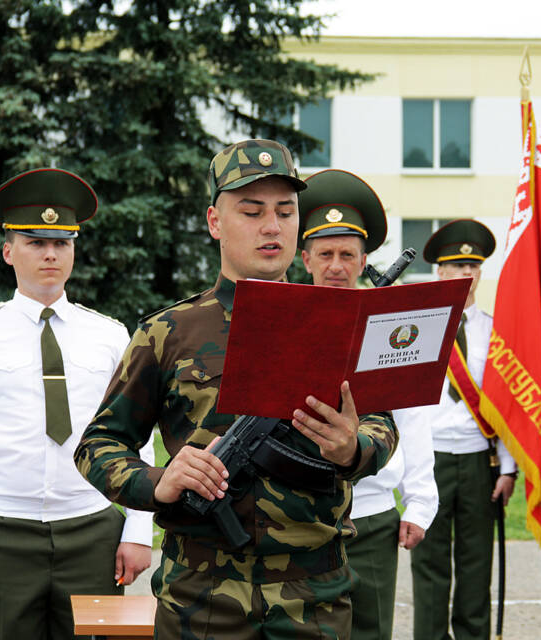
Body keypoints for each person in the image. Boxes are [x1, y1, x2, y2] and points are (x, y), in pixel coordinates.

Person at [74, 140, 398, 640]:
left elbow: (382, 425)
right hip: (201, 601)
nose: (272, 226)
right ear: (214, 222)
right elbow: (98, 445)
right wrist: (157, 481)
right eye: (251, 211)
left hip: (314, 600)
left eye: (285, 212)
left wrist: (354, 446)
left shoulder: (342, 326)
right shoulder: (169, 331)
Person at [0, 168, 155, 640]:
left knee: (107, 638)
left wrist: (137, 532)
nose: (50, 254)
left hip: (94, 533)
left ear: (74, 250)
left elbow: (137, 435)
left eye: (62, 243)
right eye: (35, 242)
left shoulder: (111, 335)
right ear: (8, 251)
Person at [298, 169, 439, 640]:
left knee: (369, 631)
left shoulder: (391, 327)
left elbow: (413, 414)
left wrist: (420, 501)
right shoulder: (284, 324)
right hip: (299, 515)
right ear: (305, 259)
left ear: (363, 262)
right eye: (325, 254)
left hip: (371, 516)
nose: (336, 265)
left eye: (347, 255)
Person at [406, 219, 516, 640]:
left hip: (479, 460)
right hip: (429, 460)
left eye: (472, 266)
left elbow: (509, 405)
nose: (464, 275)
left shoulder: (497, 330)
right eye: (455, 266)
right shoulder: (414, 331)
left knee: (476, 567)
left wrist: (508, 467)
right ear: (440, 272)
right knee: (429, 569)